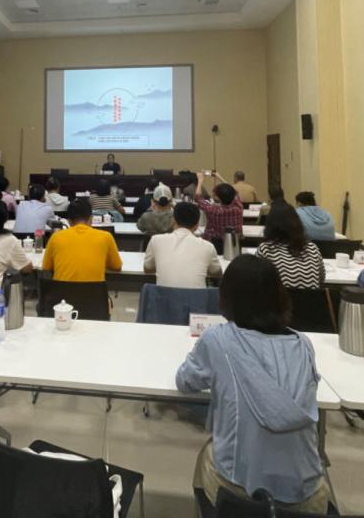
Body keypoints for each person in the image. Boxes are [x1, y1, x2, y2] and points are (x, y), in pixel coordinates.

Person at [176, 256, 331, 512]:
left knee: (207, 454)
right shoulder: (303, 344)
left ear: (226, 297)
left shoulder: (217, 339)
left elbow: (185, 381)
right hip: (308, 493)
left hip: (240, 492)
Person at [42, 199, 122, 281]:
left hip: (61, 289)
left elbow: (46, 267)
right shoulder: (106, 237)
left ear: (69, 221)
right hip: (95, 289)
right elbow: (117, 267)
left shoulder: (56, 237)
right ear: (91, 218)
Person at [144, 202, 221, 287]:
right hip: (197, 296)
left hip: (163, 295)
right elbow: (217, 272)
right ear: (196, 225)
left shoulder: (156, 240)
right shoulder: (208, 247)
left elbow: (147, 268)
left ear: (173, 220)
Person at [256, 202, 325, 289]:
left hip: (279, 297)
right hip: (311, 297)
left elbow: (257, 281)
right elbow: (321, 279)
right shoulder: (313, 248)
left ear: (270, 225)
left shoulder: (266, 249)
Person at [196, 173, 243, 247]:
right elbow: (234, 191)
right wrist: (219, 177)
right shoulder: (238, 208)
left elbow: (198, 198)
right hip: (234, 245)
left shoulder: (213, 210)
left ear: (219, 198)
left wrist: (200, 180)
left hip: (213, 245)